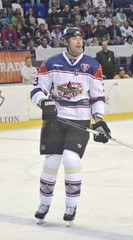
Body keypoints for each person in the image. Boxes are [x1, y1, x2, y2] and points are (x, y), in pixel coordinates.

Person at [30, 27, 111, 225]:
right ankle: (44, 203)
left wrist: (99, 120)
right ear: (66, 41)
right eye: (74, 37)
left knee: (71, 158)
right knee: (51, 162)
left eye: (80, 37)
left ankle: (71, 204)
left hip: (80, 120)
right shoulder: (51, 63)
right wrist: (44, 102)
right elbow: (36, 90)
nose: (78, 40)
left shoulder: (93, 65)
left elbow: (97, 96)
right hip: (55, 120)